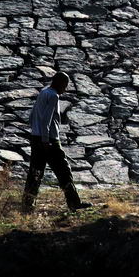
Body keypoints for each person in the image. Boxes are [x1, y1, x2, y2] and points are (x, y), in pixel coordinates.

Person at [21, 71, 92, 212]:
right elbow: (47, 120)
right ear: (59, 83)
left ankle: (27, 205)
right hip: (50, 140)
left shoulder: (43, 91)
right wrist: (46, 141)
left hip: (36, 138)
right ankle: (74, 203)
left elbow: (33, 114)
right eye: (65, 85)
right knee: (64, 171)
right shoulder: (53, 96)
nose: (65, 88)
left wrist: (35, 132)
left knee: (35, 172)